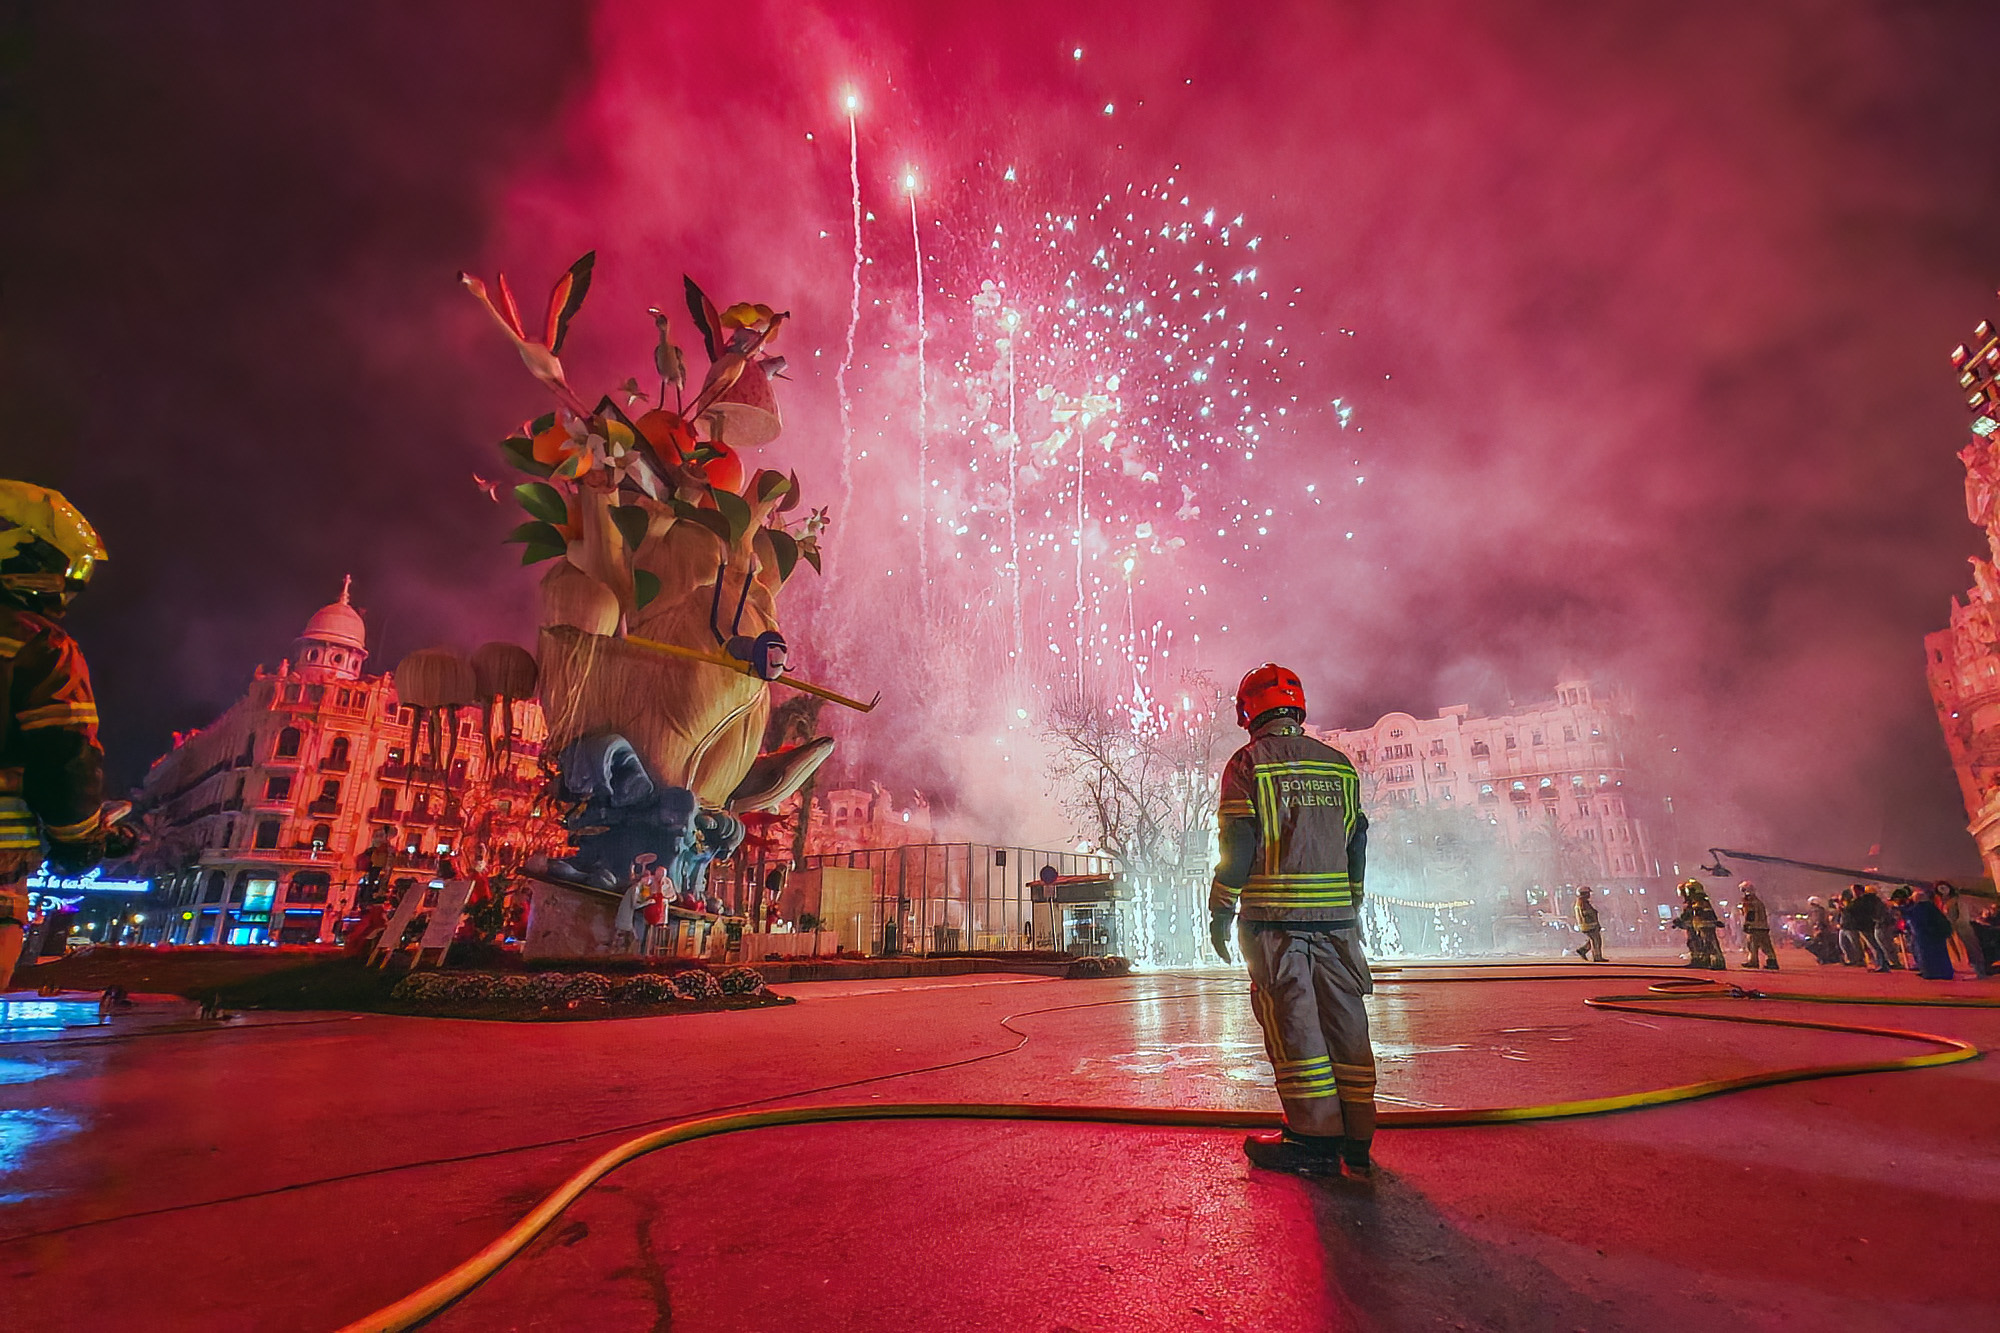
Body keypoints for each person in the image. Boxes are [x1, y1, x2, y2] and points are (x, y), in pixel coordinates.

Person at [1209, 663, 1375, 1179]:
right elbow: (1356, 842)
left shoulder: (1248, 764)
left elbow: (1238, 845)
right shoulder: (1339, 765)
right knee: (1345, 1022)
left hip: (1276, 926)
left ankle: (1311, 1138)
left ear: (1246, 712)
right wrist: (1350, 906)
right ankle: (1356, 1137)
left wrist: (1219, 908)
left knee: (1294, 1026)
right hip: (1338, 925)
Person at [0, 483, 110, 994]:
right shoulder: (38, 642)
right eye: (73, 572)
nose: (72, 587)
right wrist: (82, 839)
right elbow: (64, 756)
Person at [1936, 882, 1991, 978]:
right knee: (1969, 949)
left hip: (1964, 928)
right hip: (1959, 928)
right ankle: (1978, 970)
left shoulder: (1958, 901)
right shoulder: (1949, 902)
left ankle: (1980, 971)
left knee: (1972, 948)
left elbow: (1962, 916)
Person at [1901, 888, 1956, 981]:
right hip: (1936, 935)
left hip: (1927, 936)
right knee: (1940, 954)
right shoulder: (1930, 907)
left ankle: (1931, 973)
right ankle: (1943, 972)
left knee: (1927, 955)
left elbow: (1916, 921)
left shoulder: (1920, 908)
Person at [1738, 881, 1778, 970]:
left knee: (1752, 945)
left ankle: (1753, 961)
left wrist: (1746, 924)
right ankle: (1772, 961)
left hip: (1754, 927)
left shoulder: (1750, 902)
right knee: (1766, 946)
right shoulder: (1759, 902)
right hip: (1763, 927)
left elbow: (1750, 914)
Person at [1571, 886, 1605, 962]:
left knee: (1593, 939)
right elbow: (1588, 914)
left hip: (1587, 925)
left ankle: (1583, 950)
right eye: (1588, 893)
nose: (1589, 895)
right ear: (1584, 893)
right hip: (1589, 925)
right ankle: (1597, 957)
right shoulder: (1583, 903)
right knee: (1596, 940)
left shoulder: (1581, 902)